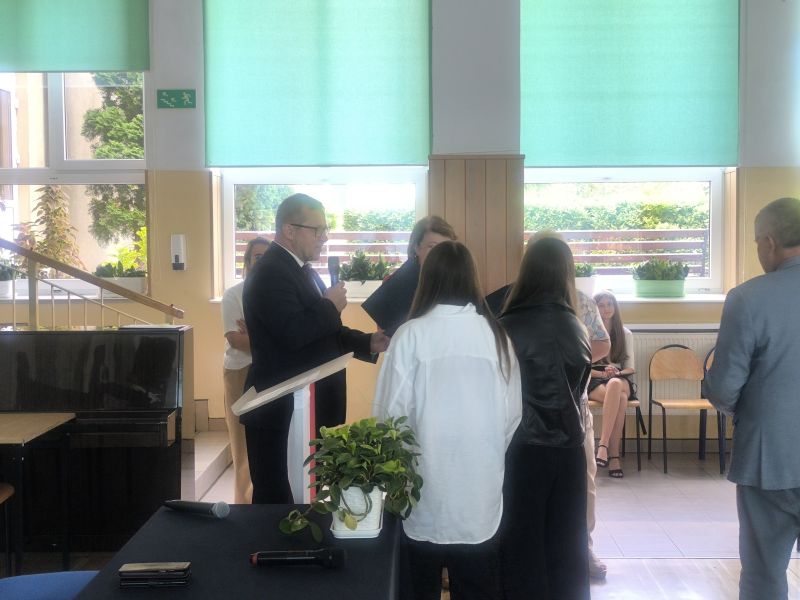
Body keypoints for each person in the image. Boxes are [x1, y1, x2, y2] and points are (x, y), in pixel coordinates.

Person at [373, 241, 521, 600]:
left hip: (422, 486)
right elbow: (512, 415)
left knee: (417, 587)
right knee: (478, 586)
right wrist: (486, 452)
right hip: (479, 490)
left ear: (427, 280)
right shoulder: (496, 336)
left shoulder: (410, 335)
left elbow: (388, 417)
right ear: (472, 279)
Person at [242, 193, 390, 504]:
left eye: (326, 230)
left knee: (305, 498)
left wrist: (367, 342)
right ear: (289, 230)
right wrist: (328, 306)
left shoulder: (301, 270)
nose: (324, 238)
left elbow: (325, 332)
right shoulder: (270, 273)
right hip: (280, 410)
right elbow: (293, 333)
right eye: (318, 230)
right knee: (278, 502)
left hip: (304, 405)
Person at [486, 231, 611, 580]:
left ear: (527, 271)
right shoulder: (577, 326)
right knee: (566, 548)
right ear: (566, 273)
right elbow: (580, 384)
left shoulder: (505, 326)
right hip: (570, 447)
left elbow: (496, 394)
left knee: (523, 547)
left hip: (522, 448)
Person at [703, 197, 800, 600]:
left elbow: (724, 388)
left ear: (770, 242)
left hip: (771, 459)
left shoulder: (748, 298)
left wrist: (720, 396)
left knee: (764, 574)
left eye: (757, 241)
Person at [220, 236, 269, 504]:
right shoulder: (234, 295)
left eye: (267, 257)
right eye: (257, 257)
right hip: (240, 372)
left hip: (272, 371)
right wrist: (268, 339)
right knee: (244, 447)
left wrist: (256, 335)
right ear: (247, 262)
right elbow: (236, 340)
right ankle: (244, 506)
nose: (263, 262)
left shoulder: (277, 294)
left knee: (268, 445)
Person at [362, 216, 457, 336]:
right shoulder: (394, 285)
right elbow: (386, 337)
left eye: (445, 248)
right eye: (432, 247)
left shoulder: (457, 284)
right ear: (416, 247)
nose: (439, 254)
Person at [589, 290, 636, 479]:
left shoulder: (625, 333)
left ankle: (603, 445)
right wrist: (602, 373)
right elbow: (582, 366)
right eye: (601, 305)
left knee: (616, 384)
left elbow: (630, 368)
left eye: (609, 304)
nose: (606, 309)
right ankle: (614, 457)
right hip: (595, 377)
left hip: (619, 376)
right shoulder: (588, 332)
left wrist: (615, 373)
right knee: (621, 399)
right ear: (594, 309)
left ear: (615, 307)